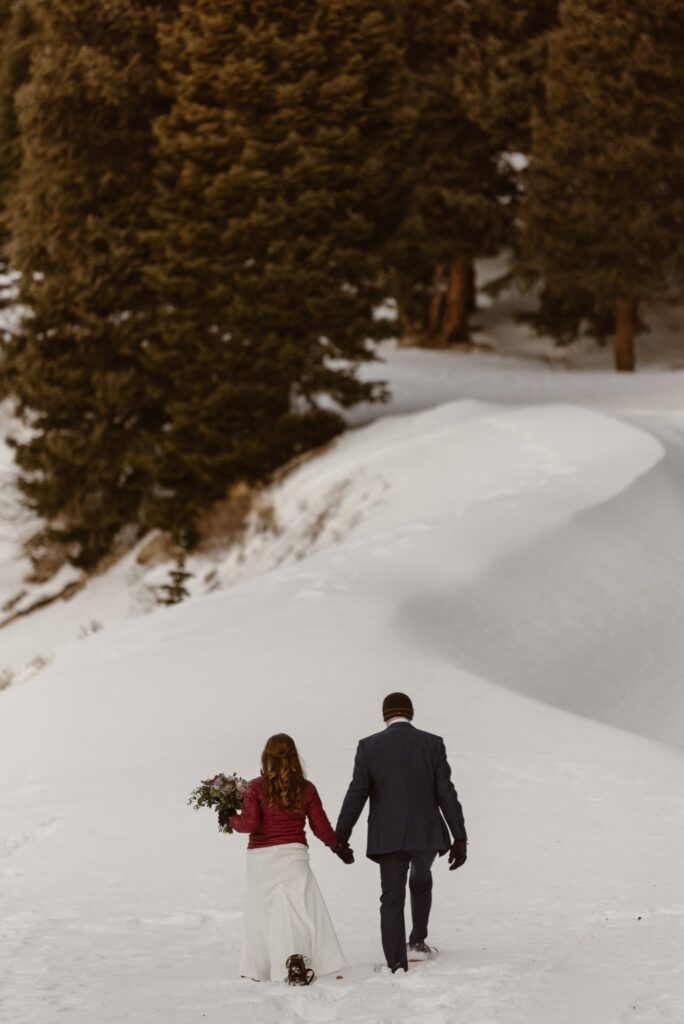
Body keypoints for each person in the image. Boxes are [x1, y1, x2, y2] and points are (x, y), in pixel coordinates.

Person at [335, 692, 467, 973]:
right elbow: (446, 793)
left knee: (391, 897)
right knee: (421, 879)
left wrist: (341, 835)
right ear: (411, 713)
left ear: (385, 716)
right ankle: (417, 941)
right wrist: (460, 837)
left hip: (388, 836)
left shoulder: (368, 747)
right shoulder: (432, 743)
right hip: (426, 833)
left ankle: (396, 964)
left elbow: (357, 794)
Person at [228, 733, 353, 984]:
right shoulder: (306, 789)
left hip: (261, 857)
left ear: (266, 757)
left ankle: (260, 968)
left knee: (263, 914)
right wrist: (337, 846)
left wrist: (229, 816)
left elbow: (249, 824)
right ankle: (297, 960)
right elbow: (320, 826)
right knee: (298, 911)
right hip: (294, 857)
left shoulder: (255, 787)